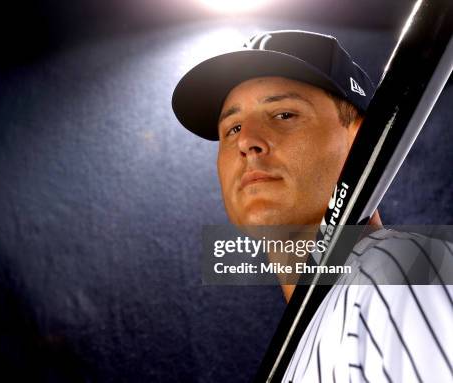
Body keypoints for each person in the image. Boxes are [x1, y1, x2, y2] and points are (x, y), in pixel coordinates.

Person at [171, 30, 452, 382]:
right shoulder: (306, 341)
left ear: (360, 141)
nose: (247, 142)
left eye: (284, 114)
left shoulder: (400, 276)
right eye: (233, 127)